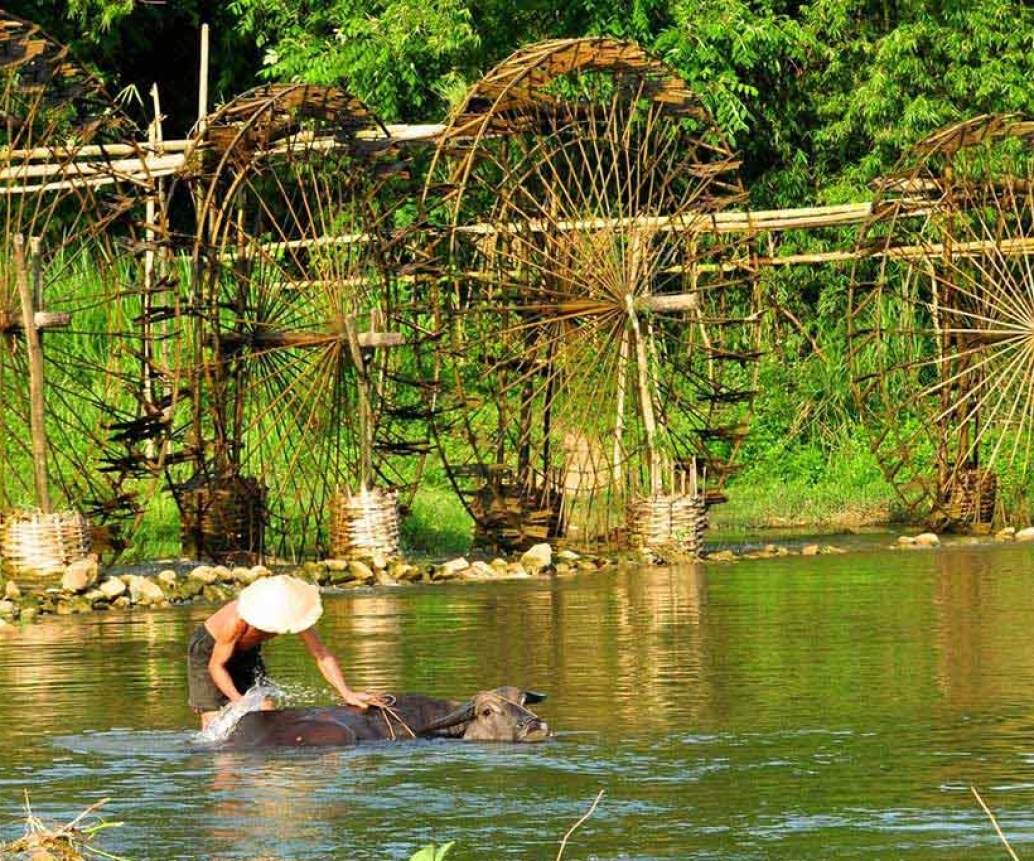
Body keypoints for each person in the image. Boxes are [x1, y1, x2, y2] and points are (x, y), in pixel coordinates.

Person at [187, 574, 386, 729]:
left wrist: (346, 692)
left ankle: (259, 775)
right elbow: (216, 666)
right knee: (214, 721)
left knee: (266, 710)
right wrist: (240, 702)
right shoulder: (237, 621)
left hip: (246, 651)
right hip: (210, 651)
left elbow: (321, 654)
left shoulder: (294, 613)